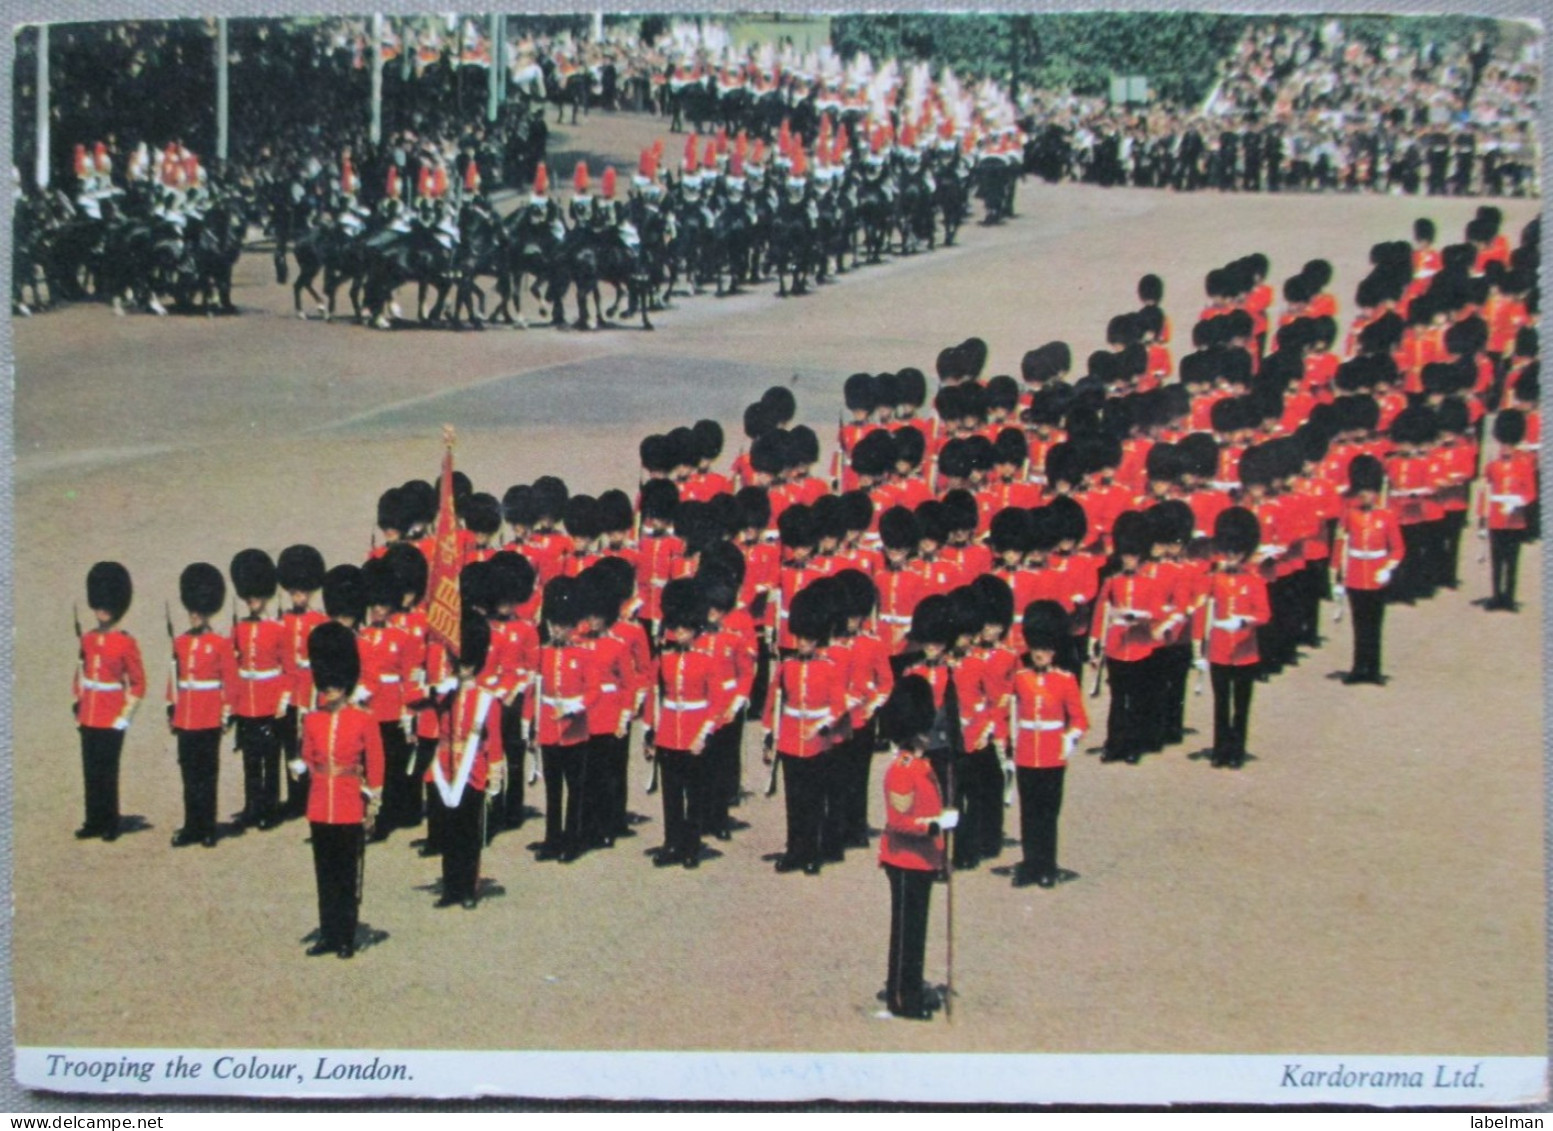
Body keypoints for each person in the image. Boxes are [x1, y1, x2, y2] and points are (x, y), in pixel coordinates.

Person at [294, 621, 383, 959]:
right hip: (320, 804)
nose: (329, 689)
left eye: (335, 683)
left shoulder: (363, 720)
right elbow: (308, 757)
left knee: (347, 875)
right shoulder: (313, 720)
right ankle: (328, 933)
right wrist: (301, 766)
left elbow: (374, 760)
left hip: (348, 803)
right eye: (325, 683)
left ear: (345, 683)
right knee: (325, 874)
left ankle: (345, 935)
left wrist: (373, 798)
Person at [877, 675, 953, 1021]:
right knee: (907, 934)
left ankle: (908, 984)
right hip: (905, 860)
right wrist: (937, 825)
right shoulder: (903, 771)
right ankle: (901, 999)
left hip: (921, 860)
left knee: (915, 931)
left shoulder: (920, 765)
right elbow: (900, 823)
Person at [1007, 601, 1086, 887]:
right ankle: (1031, 864)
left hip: (1053, 754)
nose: (1040, 654)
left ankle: (1047, 866)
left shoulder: (1065, 681)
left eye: (1045, 650)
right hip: (1027, 752)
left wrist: (1068, 740)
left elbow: (1079, 720)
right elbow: (1006, 708)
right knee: (1028, 812)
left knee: (1048, 813)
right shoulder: (1021, 678)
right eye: (1036, 649)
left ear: (1054, 652)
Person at [429, 616, 505, 908]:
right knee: (449, 832)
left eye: (467, 662)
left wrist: (494, 773)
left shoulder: (486, 698)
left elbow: (494, 739)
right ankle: (451, 888)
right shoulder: (446, 695)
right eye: (459, 661)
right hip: (448, 770)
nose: (463, 667)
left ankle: (468, 888)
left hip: (472, 771)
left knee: (469, 833)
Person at [73, 562, 145, 841]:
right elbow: (80, 674)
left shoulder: (125, 642)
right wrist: (77, 705)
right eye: (99, 604)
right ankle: (93, 820)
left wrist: (124, 717)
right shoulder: (88, 639)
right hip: (89, 714)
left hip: (111, 716)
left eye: (107, 605)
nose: (101, 610)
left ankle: (111, 821)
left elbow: (138, 683)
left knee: (107, 771)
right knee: (90, 771)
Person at [649, 578, 718, 868]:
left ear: (695, 629)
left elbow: (715, 702)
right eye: (676, 628)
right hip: (668, 732)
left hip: (693, 732)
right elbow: (654, 693)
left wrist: (703, 734)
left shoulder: (706, 660)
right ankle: (672, 842)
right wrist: (651, 731)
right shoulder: (664, 658)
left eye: (685, 629)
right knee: (671, 794)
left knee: (694, 794)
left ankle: (691, 844)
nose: (679, 633)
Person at [1194, 508, 1271, 767]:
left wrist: (1246, 621)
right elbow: (1200, 601)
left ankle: (1236, 750)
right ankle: (1220, 749)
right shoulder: (1215, 579)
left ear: (1244, 553)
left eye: (1236, 553)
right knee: (1221, 704)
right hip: (1219, 648)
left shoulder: (1254, 581)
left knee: (1241, 706)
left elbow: (1264, 614)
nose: (1232, 557)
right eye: (1228, 552)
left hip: (1245, 651)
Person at [169, 563, 238, 848]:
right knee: (189, 775)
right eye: (192, 611)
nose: (195, 616)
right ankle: (191, 825)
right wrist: (170, 708)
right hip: (186, 717)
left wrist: (226, 714)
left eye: (199, 612)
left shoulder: (219, 643)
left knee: (207, 776)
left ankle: (208, 826)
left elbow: (230, 682)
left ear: (207, 612)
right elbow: (174, 681)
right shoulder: (181, 642)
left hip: (209, 717)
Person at [229, 549, 288, 830]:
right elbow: (234, 666)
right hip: (246, 702)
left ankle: (271, 807)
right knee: (250, 759)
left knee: (270, 759)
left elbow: (287, 668)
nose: (252, 602)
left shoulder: (277, 629)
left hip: (269, 700)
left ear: (264, 597)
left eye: (256, 597)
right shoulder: (239, 629)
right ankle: (252, 805)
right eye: (248, 597)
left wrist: (282, 702)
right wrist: (232, 703)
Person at [1333, 455, 1404, 685]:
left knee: (1374, 625)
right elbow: (1341, 544)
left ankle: (1374, 668)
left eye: (1369, 491)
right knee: (1358, 625)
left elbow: (1398, 549)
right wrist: (1337, 575)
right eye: (1361, 491)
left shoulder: (1386, 516)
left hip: (1376, 577)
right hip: (1355, 576)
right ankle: (1358, 667)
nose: (1365, 496)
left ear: (1375, 492)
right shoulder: (1350, 515)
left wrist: (1387, 569)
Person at [1479, 408, 1537, 611]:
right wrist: (1482, 518)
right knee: (1497, 560)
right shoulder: (1492, 466)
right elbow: (1485, 491)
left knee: (1512, 560)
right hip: (1496, 518)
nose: (1505, 448)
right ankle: (1496, 596)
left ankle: (1509, 597)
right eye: (1503, 444)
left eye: (1509, 445)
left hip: (1515, 518)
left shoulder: (1524, 465)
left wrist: (1517, 502)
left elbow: (1530, 493)